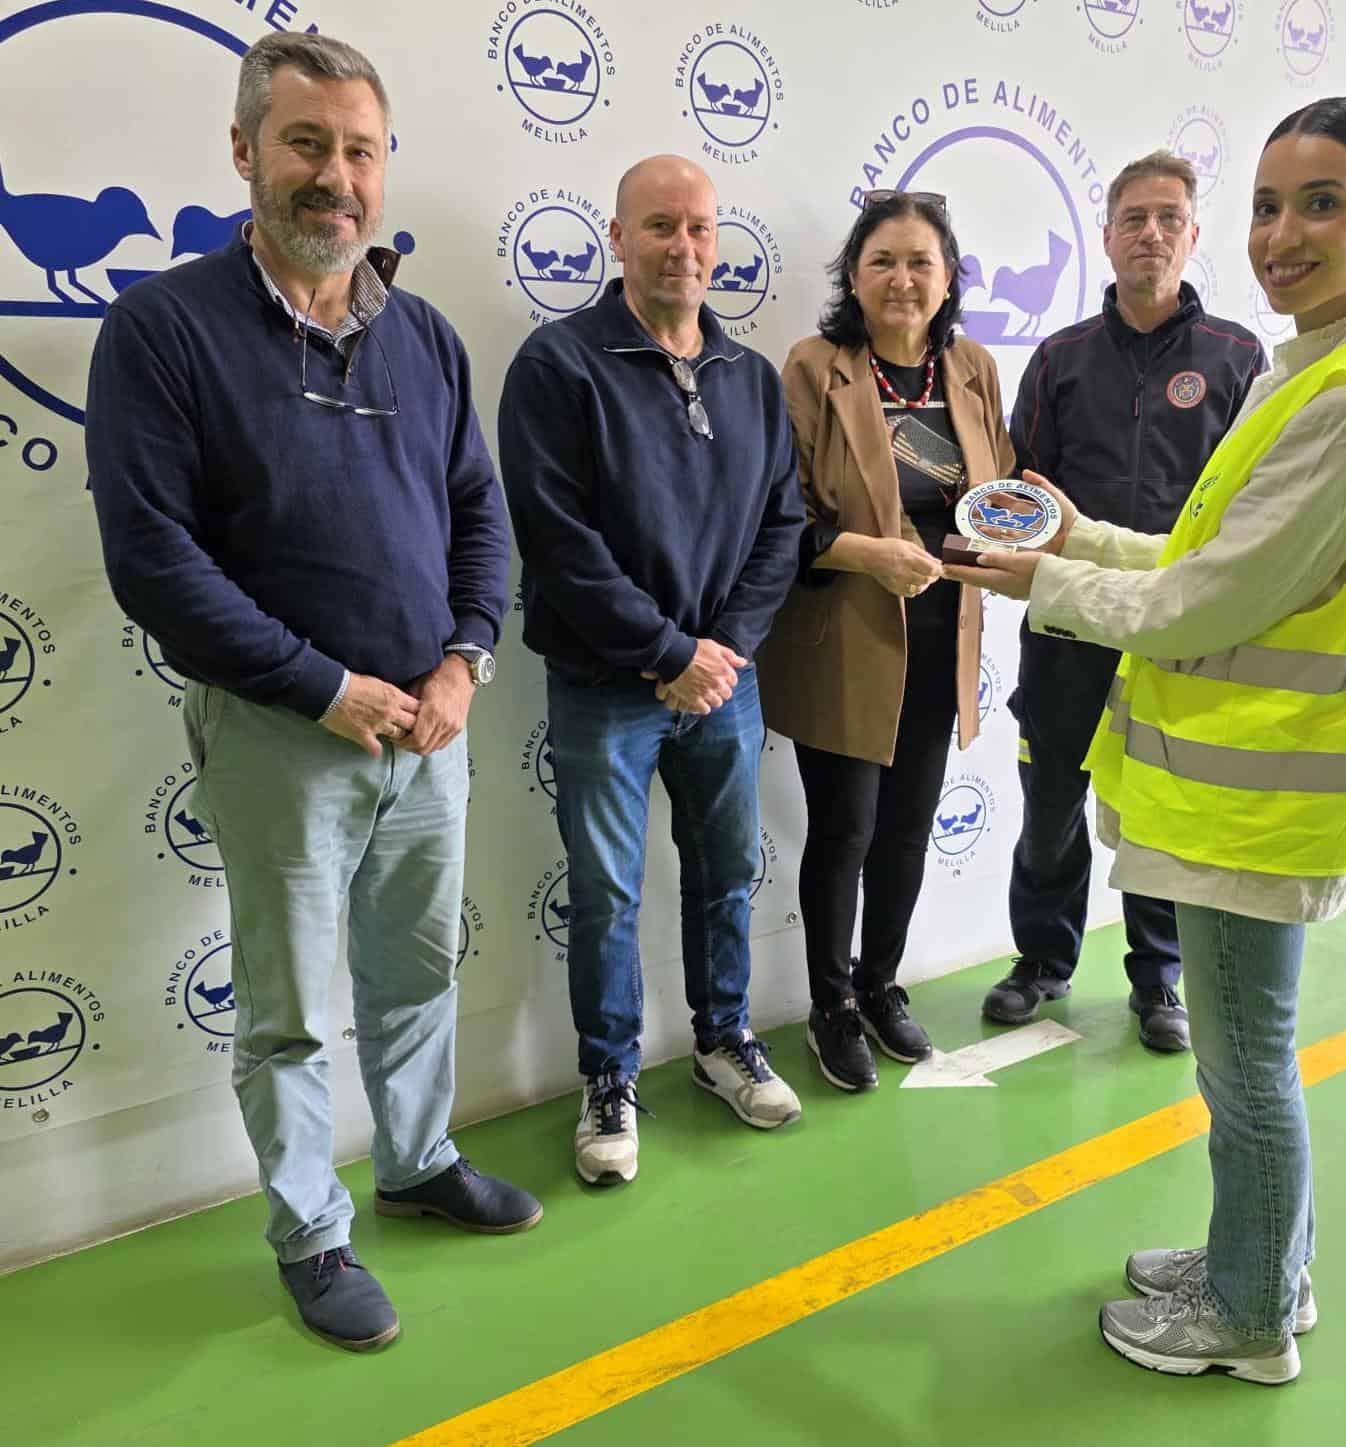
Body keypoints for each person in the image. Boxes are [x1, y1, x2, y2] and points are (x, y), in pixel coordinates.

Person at [946, 96, 1346, 1385]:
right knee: (1247, 1063)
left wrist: (1040, 581)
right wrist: (1081, 535)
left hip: (1253, 799)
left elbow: (1201, 604)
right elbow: (1201, 553)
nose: (1284, 234)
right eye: (1270, 205)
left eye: (1321, 205)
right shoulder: (1314, 370)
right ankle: (1263, 1262)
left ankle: (1248, 1316)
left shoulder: (1343, 399)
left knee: (1245, 1072)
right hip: (1244, 790)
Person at [86, 33, 540, 1353]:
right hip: (283, 733)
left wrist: (464, 658)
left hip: (429, 727)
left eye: (358, 150)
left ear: (383, 169)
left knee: (414, 974)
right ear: (245, 150)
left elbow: (477, 509)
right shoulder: (163, 328)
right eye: (304, 144)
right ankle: (311, 1232)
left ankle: (417, 1161)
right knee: (287, 1012)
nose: (334, 175)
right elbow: (152, 557)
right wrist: (321, 685)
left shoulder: (425, 335)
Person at [499, 155, 804, 1189]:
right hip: (608, 686)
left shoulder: (749, 377)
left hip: (725, 683)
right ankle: (608, 1076)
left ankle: (723, 1041)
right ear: (618, 237)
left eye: (699, 228)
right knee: (605, 894)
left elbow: (784, 526)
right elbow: (558, 540)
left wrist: (722, 651)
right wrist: (668, 654)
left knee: (726, 873)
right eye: (661, 226)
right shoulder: (559, 366)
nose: (683, 246)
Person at [982, 151, 1268, 1053]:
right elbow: (1019, 498)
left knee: (1158, 810)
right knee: (1050, 807)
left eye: (1168, 217)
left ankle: (1158, 978)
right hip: (1067, 624)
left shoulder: (1237, 358)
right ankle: (1042, 960)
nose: (1151, 233)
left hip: (1177, 629)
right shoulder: (1059, 358)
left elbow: (1248, 506)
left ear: (1192, 234)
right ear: (1105, 237)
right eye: (1134, 218)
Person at [755, 191, 1014, 1091]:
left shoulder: (972, 368)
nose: (902, 279)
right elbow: (777, 516)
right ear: (853, 277)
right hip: (847, 631)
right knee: (846, 830)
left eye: (920, 262)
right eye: (883, 261)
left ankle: (879, 983)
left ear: (947, 279)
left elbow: (997, 491)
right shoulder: (812, 366)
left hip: (944, 632)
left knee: (906, 829)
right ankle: (829, 1004)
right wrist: (868, 553)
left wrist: (1023, 533)